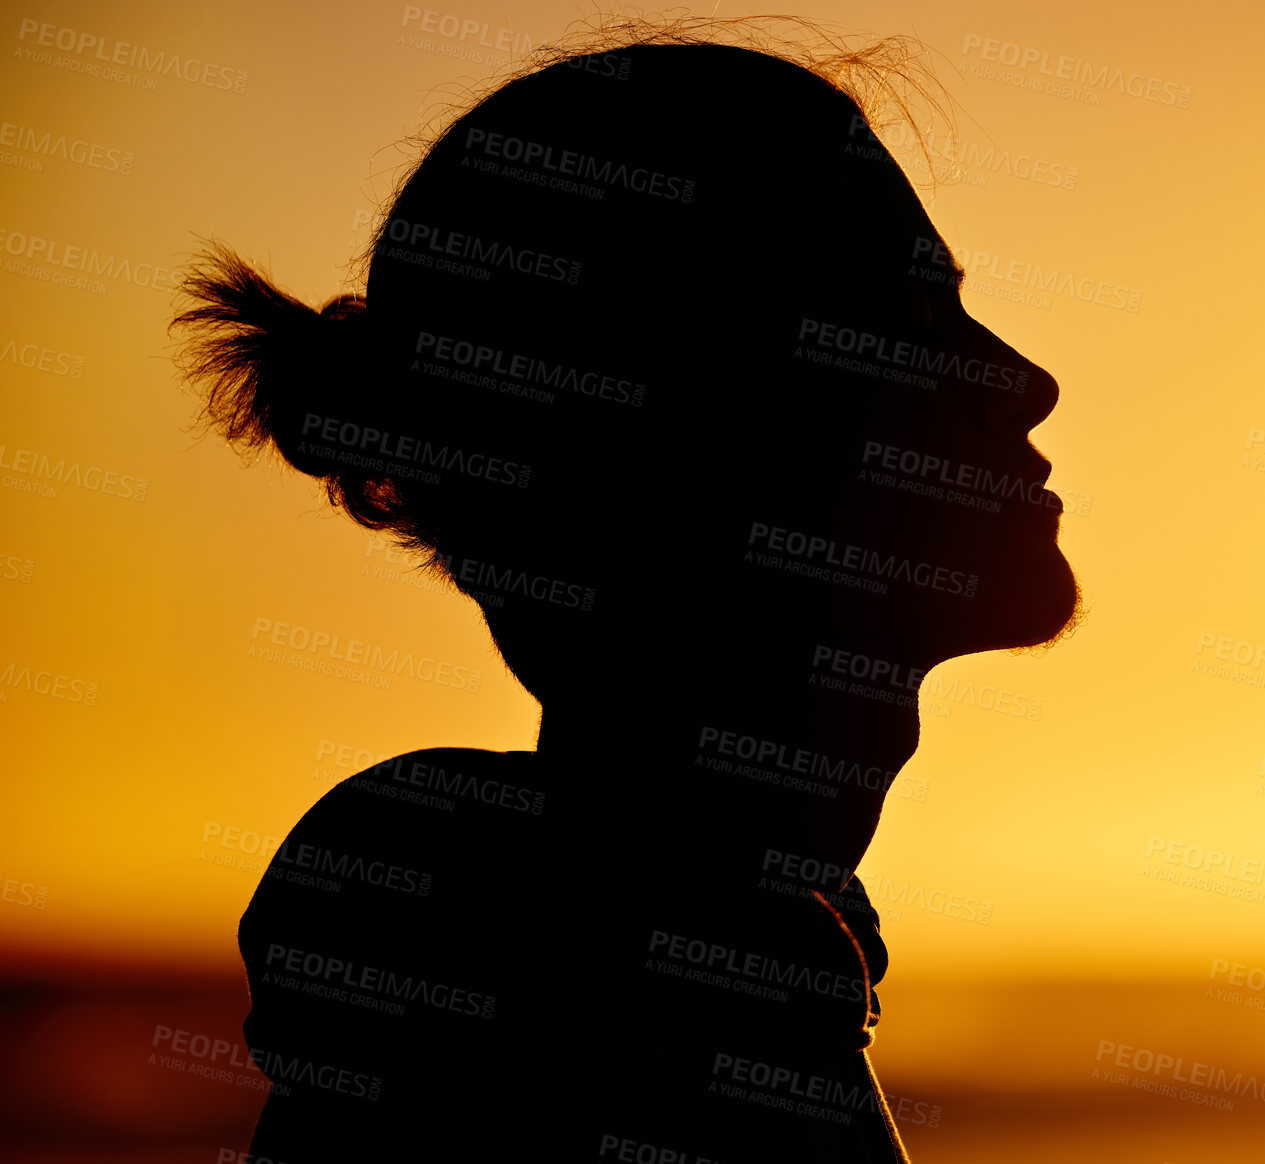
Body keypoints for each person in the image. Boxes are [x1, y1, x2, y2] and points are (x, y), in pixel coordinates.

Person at [174, 24, 1081, 1162]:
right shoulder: (613, 1063)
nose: (1018, 383)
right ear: (669, 454)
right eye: (899, 327)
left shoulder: (708, 978)